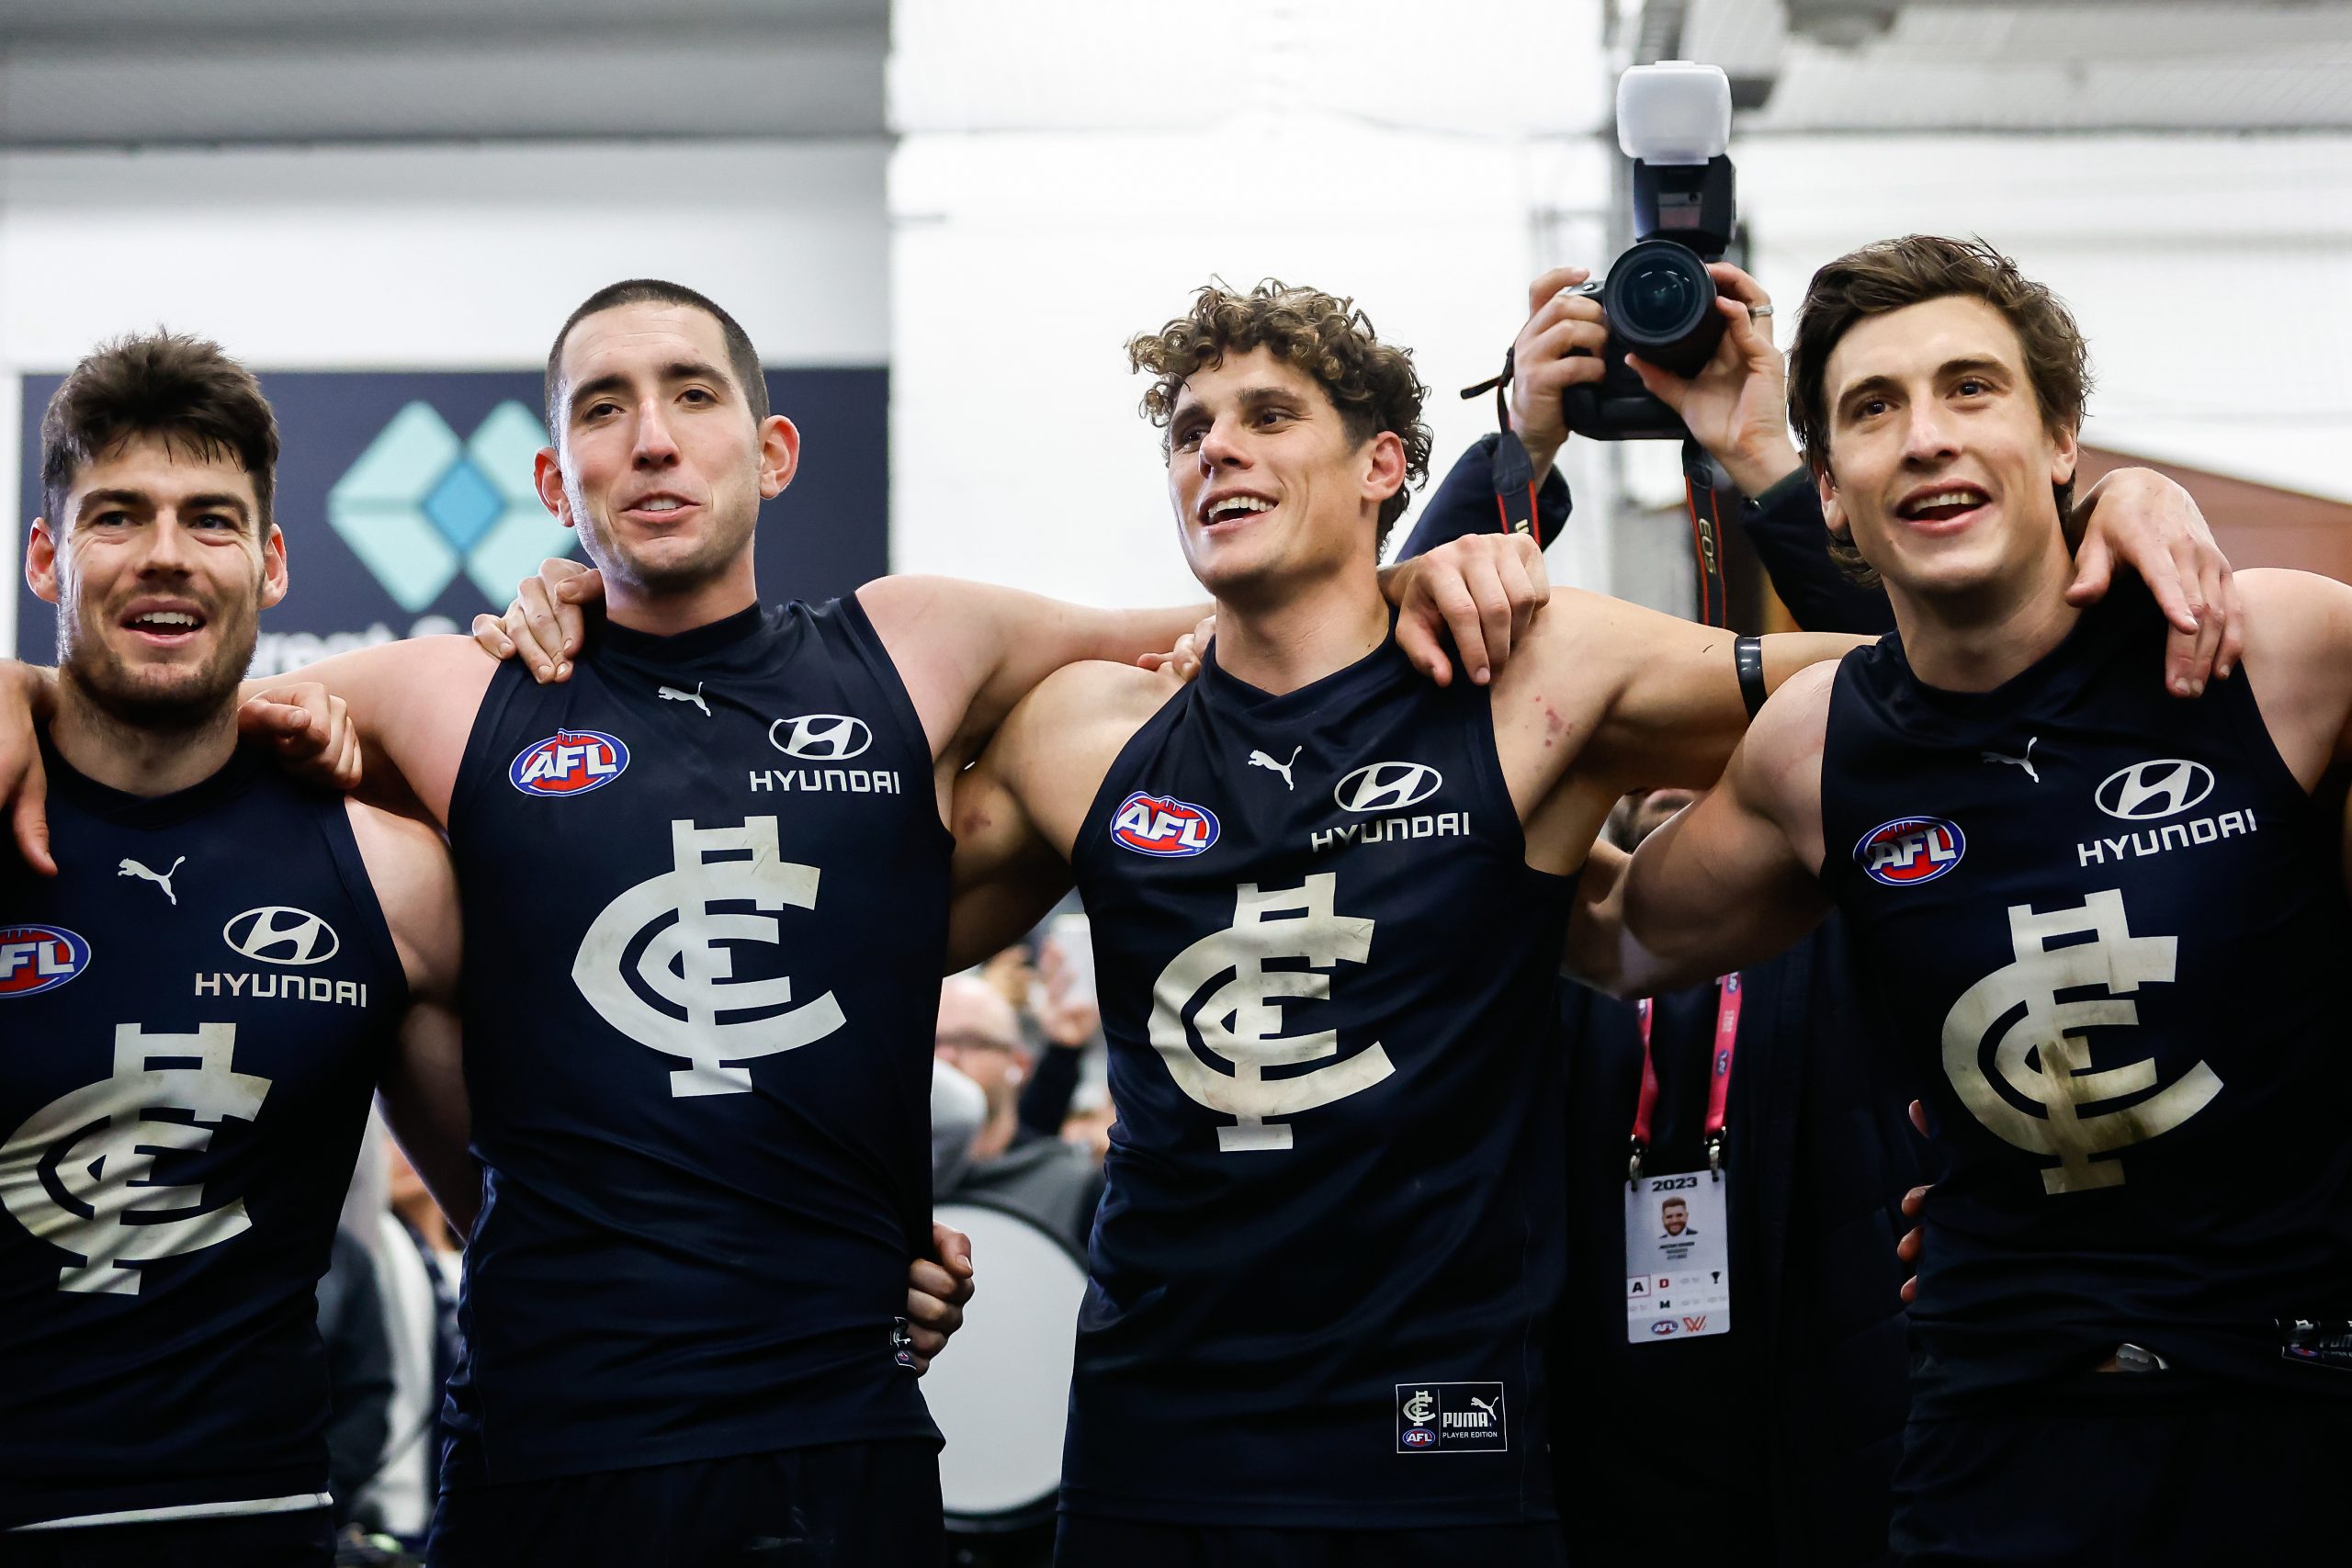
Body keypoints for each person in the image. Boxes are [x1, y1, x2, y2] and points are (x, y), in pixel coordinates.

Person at [0, 278, 1529, 1566]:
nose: (651, 435)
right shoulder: (445, 691)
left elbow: (1236, 632)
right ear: (555, 482)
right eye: (601, 407)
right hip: (548, 1444)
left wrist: (1437, 561)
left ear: (775, 449)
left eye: (689, 395)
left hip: (837, 1430)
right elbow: (147, 703)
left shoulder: (921, 641)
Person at [941, 276, 1877, 1567]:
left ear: (1385, 462)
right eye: (1190, 426)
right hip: (1153, 1445)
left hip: (1441, 1452)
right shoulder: (1085, 728)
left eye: (1268, 414)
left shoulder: (1541, 675)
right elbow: (849, 936)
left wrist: (2086, 509)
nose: (1216, 444)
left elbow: (1929, 688)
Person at [1582, 235, 2352, 1564]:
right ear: (1829, 487)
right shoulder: (1812, 751)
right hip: (2001, 1437)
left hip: (2300, 1410)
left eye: (1971, 388)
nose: (1925, 436)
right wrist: (1453, 681)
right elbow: (1615, 934)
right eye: (1874, 409)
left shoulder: (2283, 653)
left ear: (2062, 440)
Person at [0, 333, 470, 1567]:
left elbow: (547, 1215)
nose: (164, 552)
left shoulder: (388, 873)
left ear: (267, 566)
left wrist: (850, 1266)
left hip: (261, 1529)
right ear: (45, 554)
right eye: (117, 515)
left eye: (210, 519)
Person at [933, 973, 1104, 1253]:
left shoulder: (1074, 1186)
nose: (946, 1057)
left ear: (1020, 1064)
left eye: (970, 1041)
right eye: (932, 1042)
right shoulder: (895, 1181)